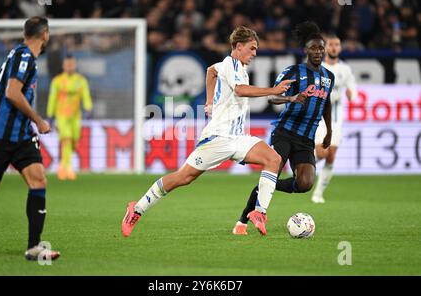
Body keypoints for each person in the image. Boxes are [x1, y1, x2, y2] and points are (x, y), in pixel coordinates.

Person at [122, 26, 294, 237]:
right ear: (238, 47)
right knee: (183, 178)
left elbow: (210, 71)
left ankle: (259, 212)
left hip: (238, 137)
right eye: (252, 48)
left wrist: (209, 101)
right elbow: (240, 90)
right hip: (218, 137)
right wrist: (273, 91)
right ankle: (136, 209)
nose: (255, 53)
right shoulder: (231, 64)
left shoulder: (231, 66)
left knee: (273, 159)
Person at [230, 21, 335, 235]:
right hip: (285, 132)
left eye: (321, 48)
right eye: (314, 48)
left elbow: (327, 103)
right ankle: (242, 222)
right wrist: (292, 97)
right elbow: (273, 98)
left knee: (305, 183)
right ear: (305, 50)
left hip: (306, 138)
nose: (318, 51)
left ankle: (268, 185)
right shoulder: (294, 71)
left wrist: (329, 130)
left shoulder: (328, 77)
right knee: (273, 170)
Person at [0, 17, 60, 260]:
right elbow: (11, 92)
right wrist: (38, 120)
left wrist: (14, 119)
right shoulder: (25, 58)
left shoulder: (15, 53)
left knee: (38, 181)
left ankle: (34, 247)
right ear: (45, 35)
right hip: (1, 137)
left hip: (20, 137)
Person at [311, 34, 357, 203]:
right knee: (322, 153)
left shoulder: (345, 69)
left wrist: (352, 94)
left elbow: (352, 87)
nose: (334, 47)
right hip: (320, 117)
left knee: (331, 156)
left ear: (340, 48)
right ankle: (300, 164)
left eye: (337, 44)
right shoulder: (317, 68)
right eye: (331, 44)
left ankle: (318, 193)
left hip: (337, 119)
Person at [47, 54, 93, 180]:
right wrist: (50, 115)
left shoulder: (81, 80)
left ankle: (63, 166)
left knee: (74, 142)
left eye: (71, 64)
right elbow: (52, 98)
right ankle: (67, 168)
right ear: (63, 66)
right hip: (61, 115)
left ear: (75, 65)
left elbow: (86, 95)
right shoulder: (57, 81)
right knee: (66, 138)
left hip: (75, 116)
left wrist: (88, 109)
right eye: (67, 64)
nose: (70, 66)